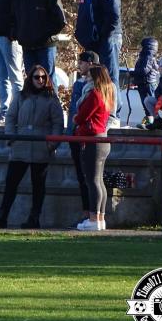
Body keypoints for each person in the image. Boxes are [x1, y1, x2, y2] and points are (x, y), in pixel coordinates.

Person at [0, 65, 64, 229]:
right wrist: (11, 138)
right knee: (11, 184)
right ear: (31, 79)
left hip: (41, 148)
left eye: (43, 77)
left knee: (38, 186)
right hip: (20, 146)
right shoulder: (21, 97)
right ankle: (1, 217)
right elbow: (10, 118)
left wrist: (52, 144)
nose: (40, 80)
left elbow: (58, 123)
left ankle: (34, 219)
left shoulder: (51, 99)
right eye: (37, 77)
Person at [74, 0, 122, 118]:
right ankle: (100, 112)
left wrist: (102, 35)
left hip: (107, 40)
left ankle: (112, 114)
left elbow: (114, 16)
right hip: (93, 42)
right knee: (95, 77)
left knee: (109, 76)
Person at [10, 0, 66, 86]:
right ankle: (35, 105)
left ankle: (52, 104)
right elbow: (14, 18)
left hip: (45, 47)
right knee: (32, 81)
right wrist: (16, 34)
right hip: (27, 47)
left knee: (48, 80)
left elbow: (60, 21)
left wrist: (44, 35)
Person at [74, 66, 115, 231]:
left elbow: (82, 116)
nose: (86, 78)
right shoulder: (107, 94)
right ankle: (100, 218)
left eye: (89, 76)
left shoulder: (95, 94)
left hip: (93, 140)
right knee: (99, 181)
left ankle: (93, 219)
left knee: (92, 181)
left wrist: (77, 118)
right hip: (102, 139)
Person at [67, 51, 100, 226]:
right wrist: (69, 132)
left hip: (90, 135)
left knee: (92, 178)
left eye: (81, 62)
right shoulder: (79, 84)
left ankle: (94, 216)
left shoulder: (99, 85)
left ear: (90, 63)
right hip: (76, 133)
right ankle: (86, 213)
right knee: (81, 176)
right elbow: (73, 110)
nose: (79, 65)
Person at [133, 37, 159, 127]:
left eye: (142, 46)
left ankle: (154, 121)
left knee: (149, 104)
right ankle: (149, 120)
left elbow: (144, 71)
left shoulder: (148, 57)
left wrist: (132, 74)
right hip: (144, 83)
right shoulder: (144, 57)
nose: (140, 48)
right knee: (145, 104)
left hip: (148, 84)